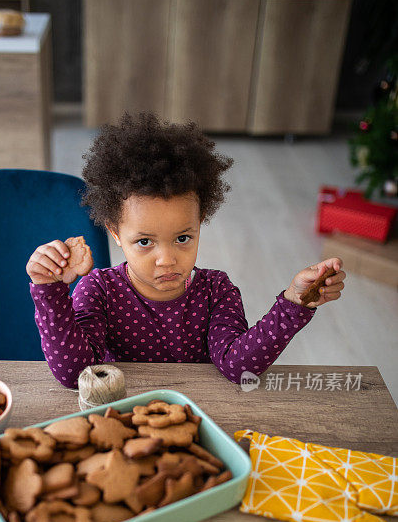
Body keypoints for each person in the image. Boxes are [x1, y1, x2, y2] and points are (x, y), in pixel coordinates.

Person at [26, 112, 345, 389]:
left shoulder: (216, 290)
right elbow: (74, 374)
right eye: (145, 242)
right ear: (115, 233)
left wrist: (293, 303)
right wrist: (50, 291)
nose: (167, 260)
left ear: (200, 221)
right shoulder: (98, 290)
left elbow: (239, 368)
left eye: (182, 238)